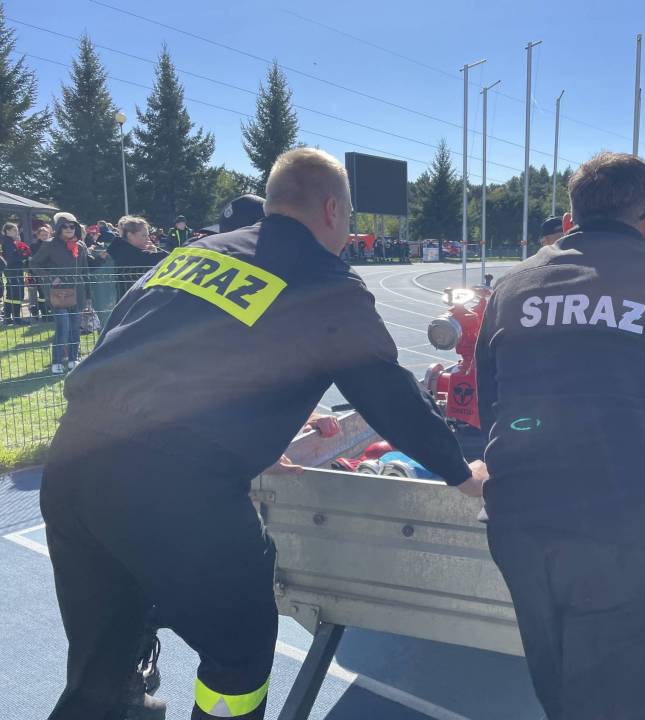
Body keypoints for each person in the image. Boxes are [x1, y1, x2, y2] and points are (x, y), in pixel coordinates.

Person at [40, 147, 486, 720]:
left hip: (74, 460)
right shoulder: (326, 281)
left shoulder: (192, 254)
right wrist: (461, 472)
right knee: (241, 649)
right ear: (333, 210)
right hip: (174, 488)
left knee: (101, 652)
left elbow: (142, 347)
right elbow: (388, 393)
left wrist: (254, 438)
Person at [474, 151, 645, 720]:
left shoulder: (513, 288)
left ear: (571, 219)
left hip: (524, 529)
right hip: (633, 533)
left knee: (560, 687)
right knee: (634, 700)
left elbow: (492, 405)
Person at [31, 213, 89, 374]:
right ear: (58, 228)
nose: (69, 229)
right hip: (58, 293)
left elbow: (85, 270)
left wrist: (89, 296)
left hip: (78, 292)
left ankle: (73, 359)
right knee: (63, 327)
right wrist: (50, 277)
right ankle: (56, 361)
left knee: (75, 328)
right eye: (65, 226)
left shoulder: (81, 245)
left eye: (72, 226)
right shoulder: (49, 244)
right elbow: (34, 263)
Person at [108, 216, 169, 299]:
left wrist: (153, 251)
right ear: (130, 235)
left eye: (148, 235)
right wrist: (155, 252)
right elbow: (154, 258)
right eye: (144, 235)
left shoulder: (121, 249)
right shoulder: (126, 253)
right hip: (131, 302)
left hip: (132, 300)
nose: (148, 239)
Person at [2, 221, 31, 325]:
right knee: (17, 293)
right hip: (13, 270)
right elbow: (12, 258)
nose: (17, 232)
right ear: (7, 231)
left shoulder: (8, 241)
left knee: (11, 294)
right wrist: (24, 256)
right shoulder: (8, 242)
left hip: (13, 271)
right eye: (14, 230)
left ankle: (7, 317)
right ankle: (17, 318)